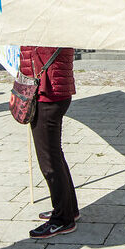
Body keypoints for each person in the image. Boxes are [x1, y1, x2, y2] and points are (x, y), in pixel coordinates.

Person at [20, 46, 80, 238]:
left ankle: (63, 220)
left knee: (48, 161)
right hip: (51, 90)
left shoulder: (47, 24)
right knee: (55, 155)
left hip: (47, 92)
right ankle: (68, 209)